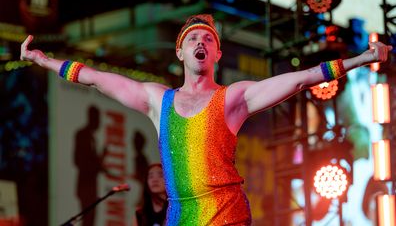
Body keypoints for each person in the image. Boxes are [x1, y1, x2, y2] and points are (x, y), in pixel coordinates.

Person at [20, 14, 391, 225]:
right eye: (193, 38)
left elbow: (301, 79)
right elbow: (97, 79)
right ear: (180, 51)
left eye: (208, 39)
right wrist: (42, 60)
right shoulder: (157, 100)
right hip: (180, 217)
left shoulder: (233, 98)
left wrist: (360, 59)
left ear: (216, 52)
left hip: (227, 213)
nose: (201, 42)